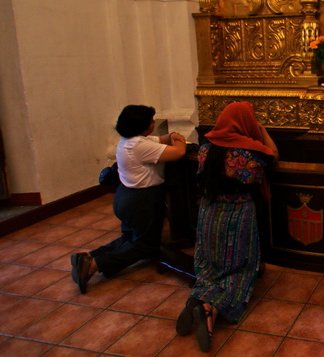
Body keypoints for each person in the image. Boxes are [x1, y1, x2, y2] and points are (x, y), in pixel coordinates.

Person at [175, 101, 278, 353]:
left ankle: (197, 297)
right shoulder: (247, 153)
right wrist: (261, 129)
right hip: (237, 215)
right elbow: (273, 155)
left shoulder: (205, 149)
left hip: (208, 214)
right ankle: (211, 308)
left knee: (209, 265)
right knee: (238, 268)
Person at [70, 105, 187, 293]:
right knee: (145, 246)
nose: (153, 123)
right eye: (150, 121)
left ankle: (88, 257)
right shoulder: (140, 146)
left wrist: (171, 136)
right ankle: (95, 265)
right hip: (142, 201)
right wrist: (179, 139)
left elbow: (162, 139)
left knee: (130, 237)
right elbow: (179, 152)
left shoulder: (130, 141)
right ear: (141, 125)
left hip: (125, 196)